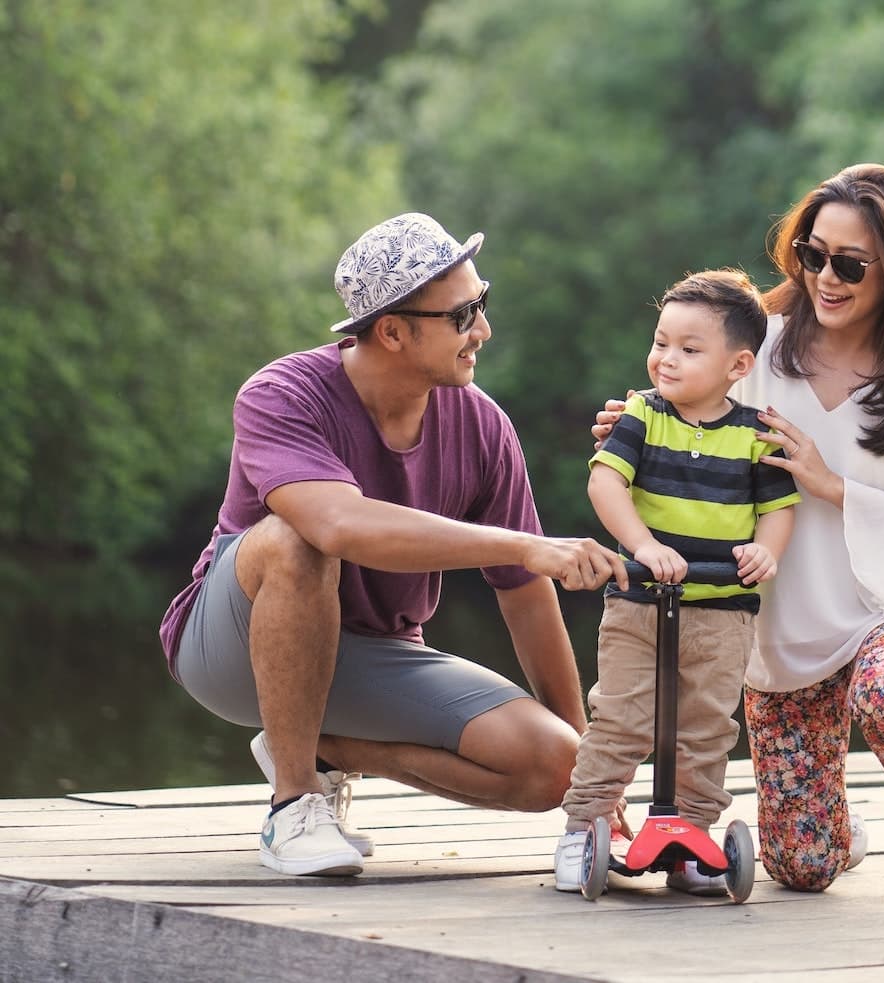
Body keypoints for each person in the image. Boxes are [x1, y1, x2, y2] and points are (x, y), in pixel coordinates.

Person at [159, 212, 627, 878]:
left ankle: (323, 746)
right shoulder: (280, 395)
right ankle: (293, 804)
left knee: (556, 764)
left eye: (482, 304)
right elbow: (338, 527)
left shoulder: (484, 426)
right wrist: (524, 544)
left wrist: (593, 785)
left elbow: (527, 596)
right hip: (231, 648)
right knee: (299, 539)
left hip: (376, 652)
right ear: (393, 331)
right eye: (463, 315)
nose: (483, 330)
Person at [592, 164, 884, 903]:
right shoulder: (758, 349)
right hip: (779, 632)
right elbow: (682, 413)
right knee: (802, 869)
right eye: (812, 253)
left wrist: (831, 484)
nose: (824, 277)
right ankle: (830, 823)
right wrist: (636, 432)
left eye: (849, 263)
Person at [556, 269, 800, 896]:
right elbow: (605, 482)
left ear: (737, 365)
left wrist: (765, 554)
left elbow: (778, 508)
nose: (667, 359)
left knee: (707, 727)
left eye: (690, 350)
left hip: (723, 611)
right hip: (640, 601)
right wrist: (643, 545)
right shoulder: (641, 416)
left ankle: (689, 836)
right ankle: (586, 826)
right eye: (662, 342)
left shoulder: (753, 435)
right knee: (622, 717)